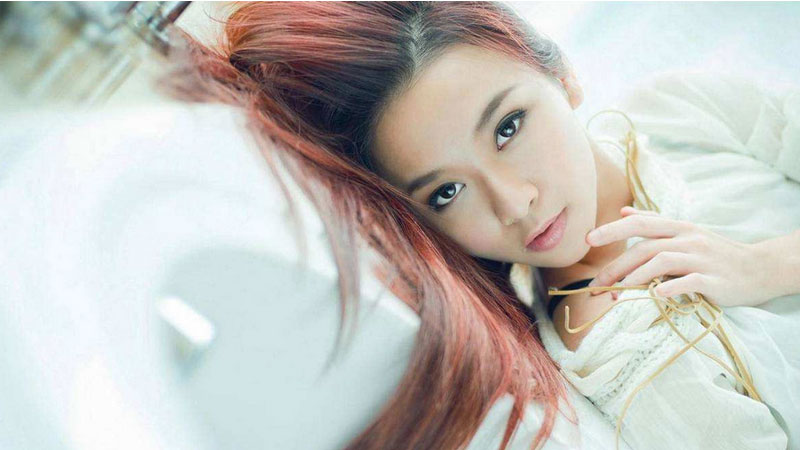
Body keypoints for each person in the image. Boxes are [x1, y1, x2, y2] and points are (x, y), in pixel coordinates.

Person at [164, 2, 800, 449]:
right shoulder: (621, 357)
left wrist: (768, 265)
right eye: (446, 192)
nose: (514, 204)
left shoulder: (680, 109)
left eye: (508, 128)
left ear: (561, 74)